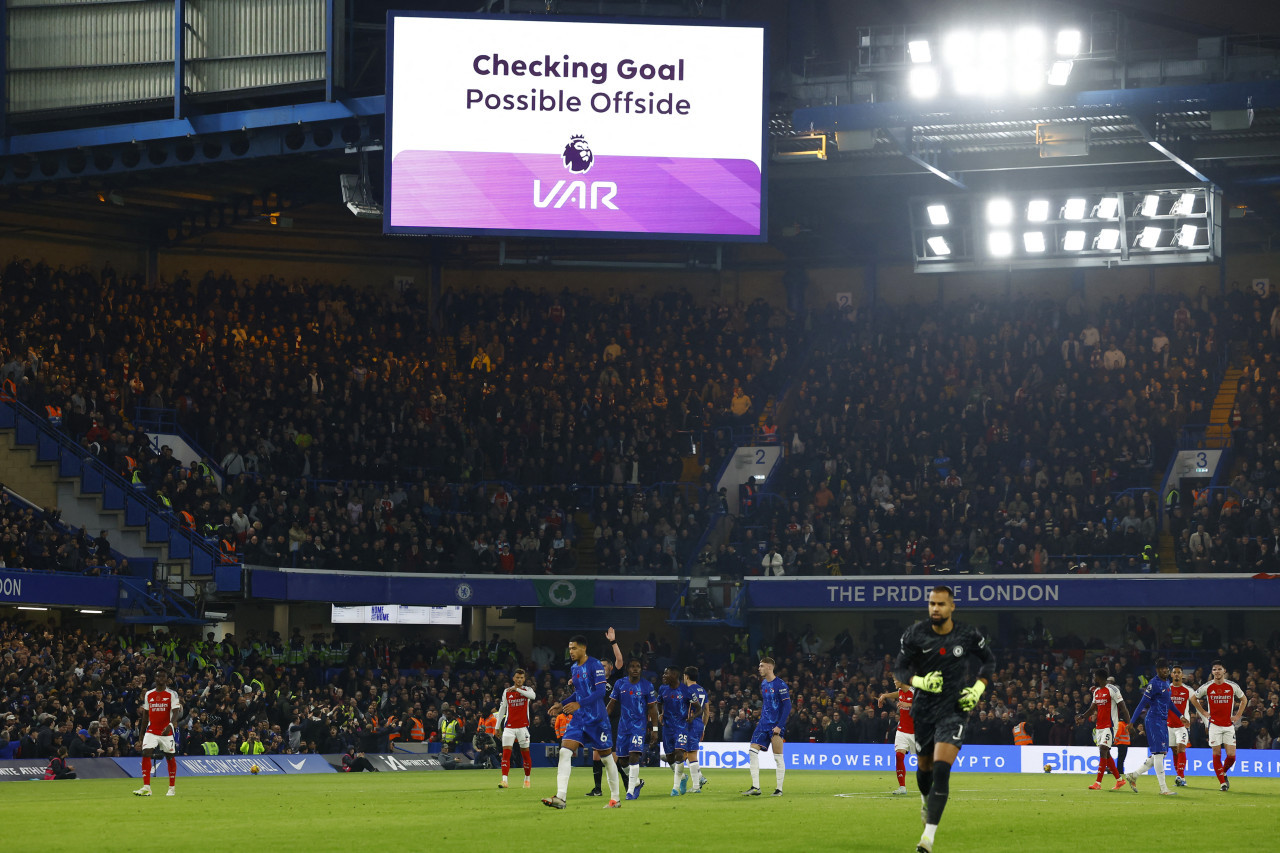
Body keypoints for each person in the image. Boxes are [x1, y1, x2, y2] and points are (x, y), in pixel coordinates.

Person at [893, 586, 996, 853]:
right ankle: (926, 800)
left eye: (940, 604)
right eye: (931, 604)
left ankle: (927, 838)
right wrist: (920, 681)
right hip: (924, 709)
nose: (935, 608)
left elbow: (989, 661)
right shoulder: (915, 634)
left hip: (954, 709)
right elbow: (900, 669)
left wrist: (977, 689)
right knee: (924, 769)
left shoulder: (967, 634)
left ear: (952, 607)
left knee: (941, 769)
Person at [542, 635, 622, 809]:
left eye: (574, 648)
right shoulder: (574, 668)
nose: (571, 652)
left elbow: (600, 692)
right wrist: (561, 704)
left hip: (597, 720)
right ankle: (561, 797)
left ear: (583, 648)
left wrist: (579, 703)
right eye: (569, 648)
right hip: (579, 719)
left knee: (607, 759)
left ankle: (615, 799)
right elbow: (578, 692)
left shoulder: (595, 665)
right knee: (564, 752)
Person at [1123, 658, 1187, 795]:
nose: (1165, 670)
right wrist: (1132, 722)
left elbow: (1169, 702)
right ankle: (1163, 788)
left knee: (1162, 754)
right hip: (1153, 720)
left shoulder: (1167, 683)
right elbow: (1142, 703)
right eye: (1162, 668)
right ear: (1157, 670)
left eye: (1166, 668)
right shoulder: (1154, 684)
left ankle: (1134, 775)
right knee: (1158, 754)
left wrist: (1180, 715)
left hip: (1163, 721)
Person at [1188, 660, 1248, 791]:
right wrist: (1203, 712)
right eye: (1214, 669)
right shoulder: (1208, 686)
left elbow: (1244, 699)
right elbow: (1193, 698)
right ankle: (1222, 783)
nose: (1217, 672)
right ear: (1212, 672)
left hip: (1228, 725)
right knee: (1216, 754)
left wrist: (1237, 716)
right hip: (1214, 725)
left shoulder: (1232, 686)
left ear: (1224, 671)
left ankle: (1223, 772)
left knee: (1231, 756)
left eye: (1219, 669)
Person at [607, 659, 658, 801]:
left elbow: (653, 708)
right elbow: (611, 704)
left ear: (641, 669)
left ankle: (630, 791)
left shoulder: (647, 686)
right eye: (632, 666)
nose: (635, 669)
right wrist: (602, 721)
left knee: (634, 755)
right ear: (628, 669)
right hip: (623, 726)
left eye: (638, 666)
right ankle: (636, 782)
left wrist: (654, 729)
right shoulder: (620, 684)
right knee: (622, 761)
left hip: (638, 726)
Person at [742, 656, 790, 797]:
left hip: (775, 726)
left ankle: (779, 789)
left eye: (762, 665)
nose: (759, 668)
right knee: (752, 752)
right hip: (763, 724)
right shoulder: (763, 684)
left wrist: (780, 726)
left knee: (778, 757)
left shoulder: (780, 685)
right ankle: (756, 787)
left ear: (769, 667)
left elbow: (787, 706)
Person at [1075, 668, 1128, 791]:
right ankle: (1119, 780)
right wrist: (1082, 716)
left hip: (1110, 726)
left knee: (1103, 750)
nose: (1094, 679)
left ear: (1100, 678)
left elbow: (1123, 707)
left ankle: (1098, 782)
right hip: (1099, 727)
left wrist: (1129, 723)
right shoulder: (1096, 691)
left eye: (1095, 677)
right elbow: (1092, 708)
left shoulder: (1113, 689)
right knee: (1106, 753)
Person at [587, 628, 625, 797]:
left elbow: (619, 659)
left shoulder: (615, 678)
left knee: (614, 757)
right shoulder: (597, 681)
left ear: (610, 668)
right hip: (599, 720)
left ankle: (629, 782)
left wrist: (613, 642)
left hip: (615, 720)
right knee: (596, 755)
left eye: (604, 666)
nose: (601, 669)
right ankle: (597, 789)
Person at [133, 668, 181, 797]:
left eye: (163, 677)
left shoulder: (172, 694)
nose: (161, 679)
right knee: (146, 752)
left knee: (170, 757)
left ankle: (171, 788)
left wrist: (170, 725)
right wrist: (141, 735)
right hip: (152, 730)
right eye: (158, 677)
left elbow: (176, 712)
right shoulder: (149, 694)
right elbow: (146, 715)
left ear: (167, 679)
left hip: (166, 732)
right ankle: (146, 787)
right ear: (155, 678)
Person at [496, 668, 536, 789]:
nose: (519, 680)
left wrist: (518, 689)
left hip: (523, 728)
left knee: (525, 755)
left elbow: (533, 696)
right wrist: (497, 726)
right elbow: (503, 708)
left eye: (521, 678)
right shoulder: (507, 691)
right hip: (509, 727)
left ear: (524, 679)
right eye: (517, 677)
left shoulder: (527, 690)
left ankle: (527, 779)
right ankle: (504, 780)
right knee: (506, 754)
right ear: (513, 678)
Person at [878, 679, 917, 795]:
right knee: (899, 756)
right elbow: (897, 693)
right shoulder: (901, 691)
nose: (894, 682)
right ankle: (902, 787)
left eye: (896, 680)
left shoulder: (915, 692)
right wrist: (884, 696)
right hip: (902, 730)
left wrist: (908, 705)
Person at [658, 666, 692, 797]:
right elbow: (659, 702)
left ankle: (675, 788)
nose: (664, 675)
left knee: (679, 754)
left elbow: (697, 707)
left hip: (681, 726)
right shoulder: (662, 689)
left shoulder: (685, 690)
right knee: (670, 757)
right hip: (667, 727)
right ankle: (683, 777)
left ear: (675, 674)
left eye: (667, 673)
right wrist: (661, 713)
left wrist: (692, 716)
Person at [683, 666, 710, 793]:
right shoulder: (703, 690)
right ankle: (699, 777)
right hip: (699, 724)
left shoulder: (687, 690)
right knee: (687, 753)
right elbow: (707, 711)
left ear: (686, 676)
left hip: (690, 724)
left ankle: (696, 786)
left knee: (691, 754)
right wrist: (703, 727)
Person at [1167, 665, 1192, 787]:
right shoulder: (1167, 689)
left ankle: (1180, 776)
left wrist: (1205, 720)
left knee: (1181, 748)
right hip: (1168, 726)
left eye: (1179, 672)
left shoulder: (1188, 690)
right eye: (1174, 672)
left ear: (1182, 675)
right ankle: (1180, 778)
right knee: (1174, 751)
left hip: (1181, 726)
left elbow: (1197, 704)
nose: (1176, 674)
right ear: (1171, 675)